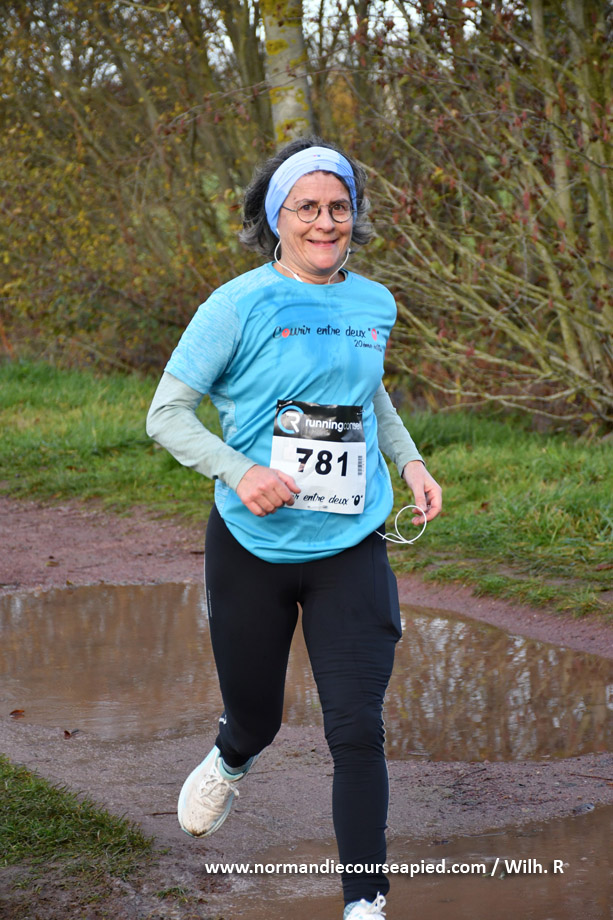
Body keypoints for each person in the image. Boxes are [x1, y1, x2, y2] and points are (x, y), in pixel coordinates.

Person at [146, 136, 442, 920]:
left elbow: (366, 395)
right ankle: (231, 755)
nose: (324, 222)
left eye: (338, 207)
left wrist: (409, 461)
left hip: (351, 541)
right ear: (277, 216)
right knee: (259, 716)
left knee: (356, 728)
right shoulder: (236, 305)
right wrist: (237, 470)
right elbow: (165, 414)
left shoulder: (374, 303)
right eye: (306, 207)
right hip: (253, 545)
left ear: (355, 215)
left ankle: (364, 902)